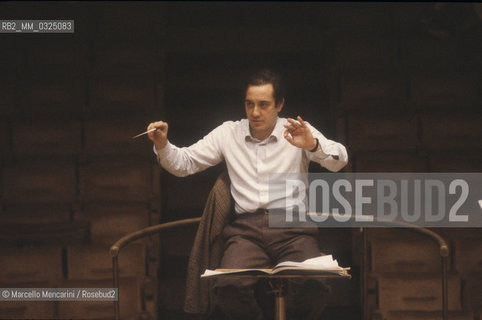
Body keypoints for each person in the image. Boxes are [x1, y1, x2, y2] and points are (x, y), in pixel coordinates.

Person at [147, 70, 348, 320]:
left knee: (316, 285)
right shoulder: (228, 133)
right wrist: (163, 145)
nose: (254, 112)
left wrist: (313, 146)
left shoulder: (297, 130)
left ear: (279, 105)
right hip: (245, 232)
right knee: (228, 288)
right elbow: (184, 163)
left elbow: (340, 159)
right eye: (249, 104)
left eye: (263, 105)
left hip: (293, 229)